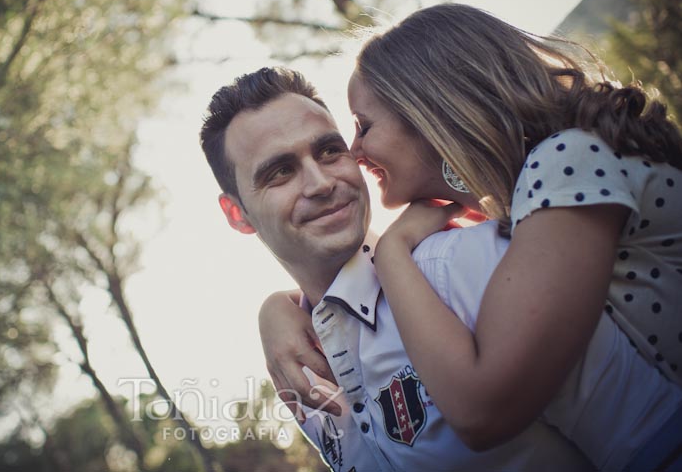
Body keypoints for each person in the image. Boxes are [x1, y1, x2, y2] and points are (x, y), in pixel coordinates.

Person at [200, 66, 682, 471]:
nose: (321, 182)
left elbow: (650, 435)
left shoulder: (464, 265)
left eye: (329, 150)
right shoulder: (298, 365)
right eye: (280, 171)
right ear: (237, 213)